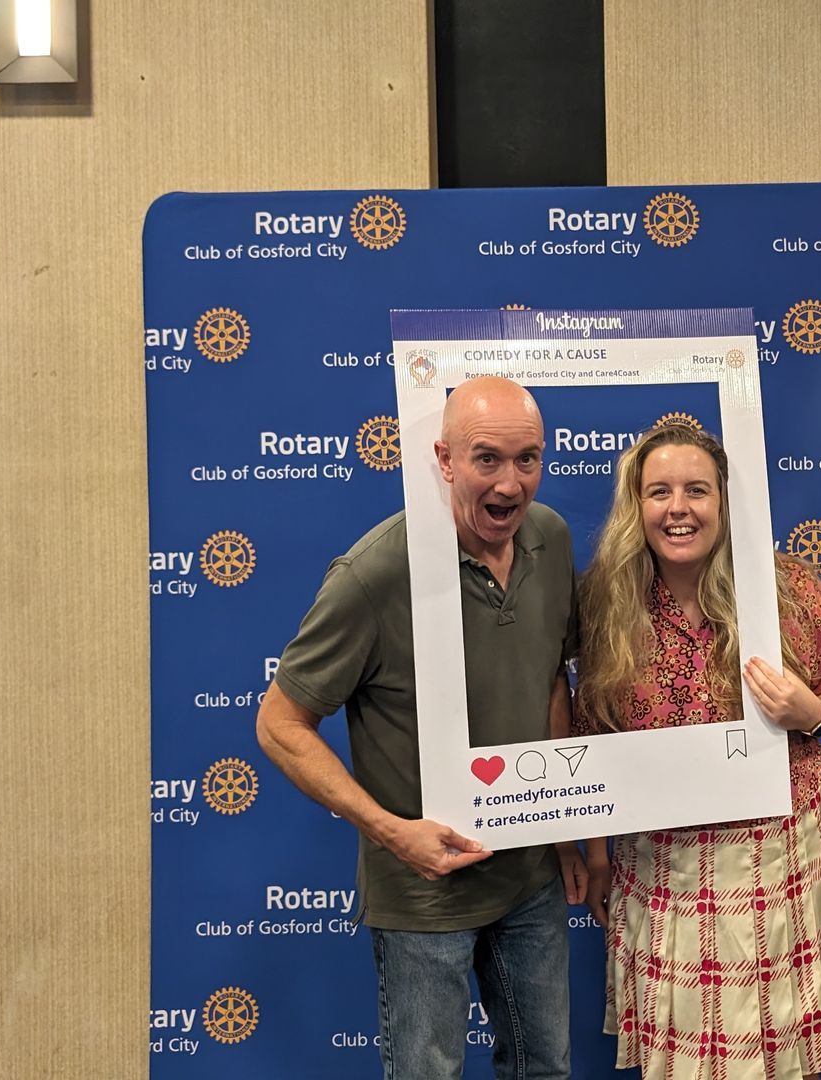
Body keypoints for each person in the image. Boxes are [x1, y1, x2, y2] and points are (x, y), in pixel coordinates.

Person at [255, 375, 589, 1080]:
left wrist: (565, 828)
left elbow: (553, 679)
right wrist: (390, 831)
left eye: (527, 458)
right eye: (487, 459)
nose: (510, 482)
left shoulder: (553, 539)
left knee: (546, 1069)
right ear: (443, 459)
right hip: (425, 894)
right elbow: (280, 723)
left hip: (529, 876)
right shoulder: (373, 573)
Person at [572, 421, 821, 1080]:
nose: (679, 508)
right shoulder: (606, 603)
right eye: (660, 492)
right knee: (682, 1057)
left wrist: (809, 712)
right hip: (663, 863)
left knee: (786, 1042)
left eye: (698, 490)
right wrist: (593, 855)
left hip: (776, 851)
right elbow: (587, 737)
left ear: (726, 501)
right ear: (636, 505)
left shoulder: (790, 589)